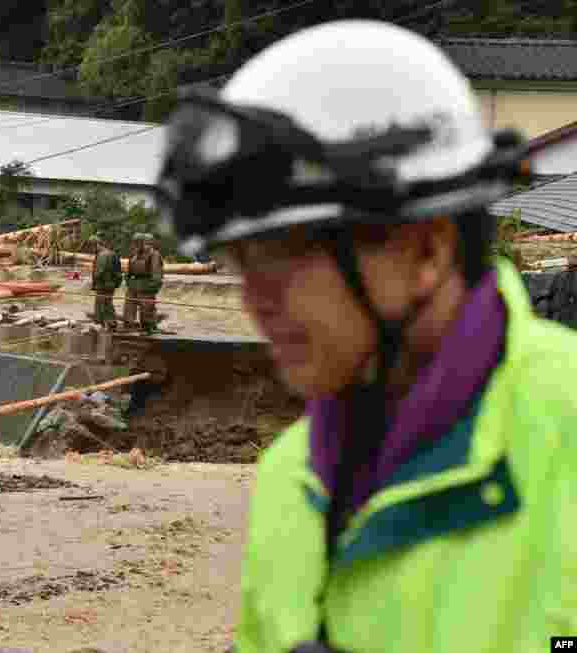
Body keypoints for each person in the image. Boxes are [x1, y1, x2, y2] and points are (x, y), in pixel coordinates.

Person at [154, 20, 575, 653]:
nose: (254, 301)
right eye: (240, 263)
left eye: (285, 257)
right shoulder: (291, 482)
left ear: (429, 248)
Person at [123, 233, 164, 333]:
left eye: (139, 243)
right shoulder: (134, 254)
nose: (136, 245)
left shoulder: (154, 255)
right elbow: (128, 273)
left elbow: (157, 276)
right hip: (133, 287)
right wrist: (129, 283)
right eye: (135, 243)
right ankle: (129, 326)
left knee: (147, 313)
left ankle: (149, 328)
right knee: (128, 309)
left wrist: (150, 289)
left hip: (147, 288)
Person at [90, 234, 123, 328]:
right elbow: (118, 272)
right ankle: (108, 324)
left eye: (91, 246)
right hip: (110, 284)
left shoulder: (102, 255)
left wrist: (94, 284)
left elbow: (99, 272)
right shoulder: (111, 253)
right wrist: (116, 283)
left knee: (103, 305)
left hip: (103, 285)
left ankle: (109, 325)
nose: (91, 249)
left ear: (96, 244)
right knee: (107, 303)